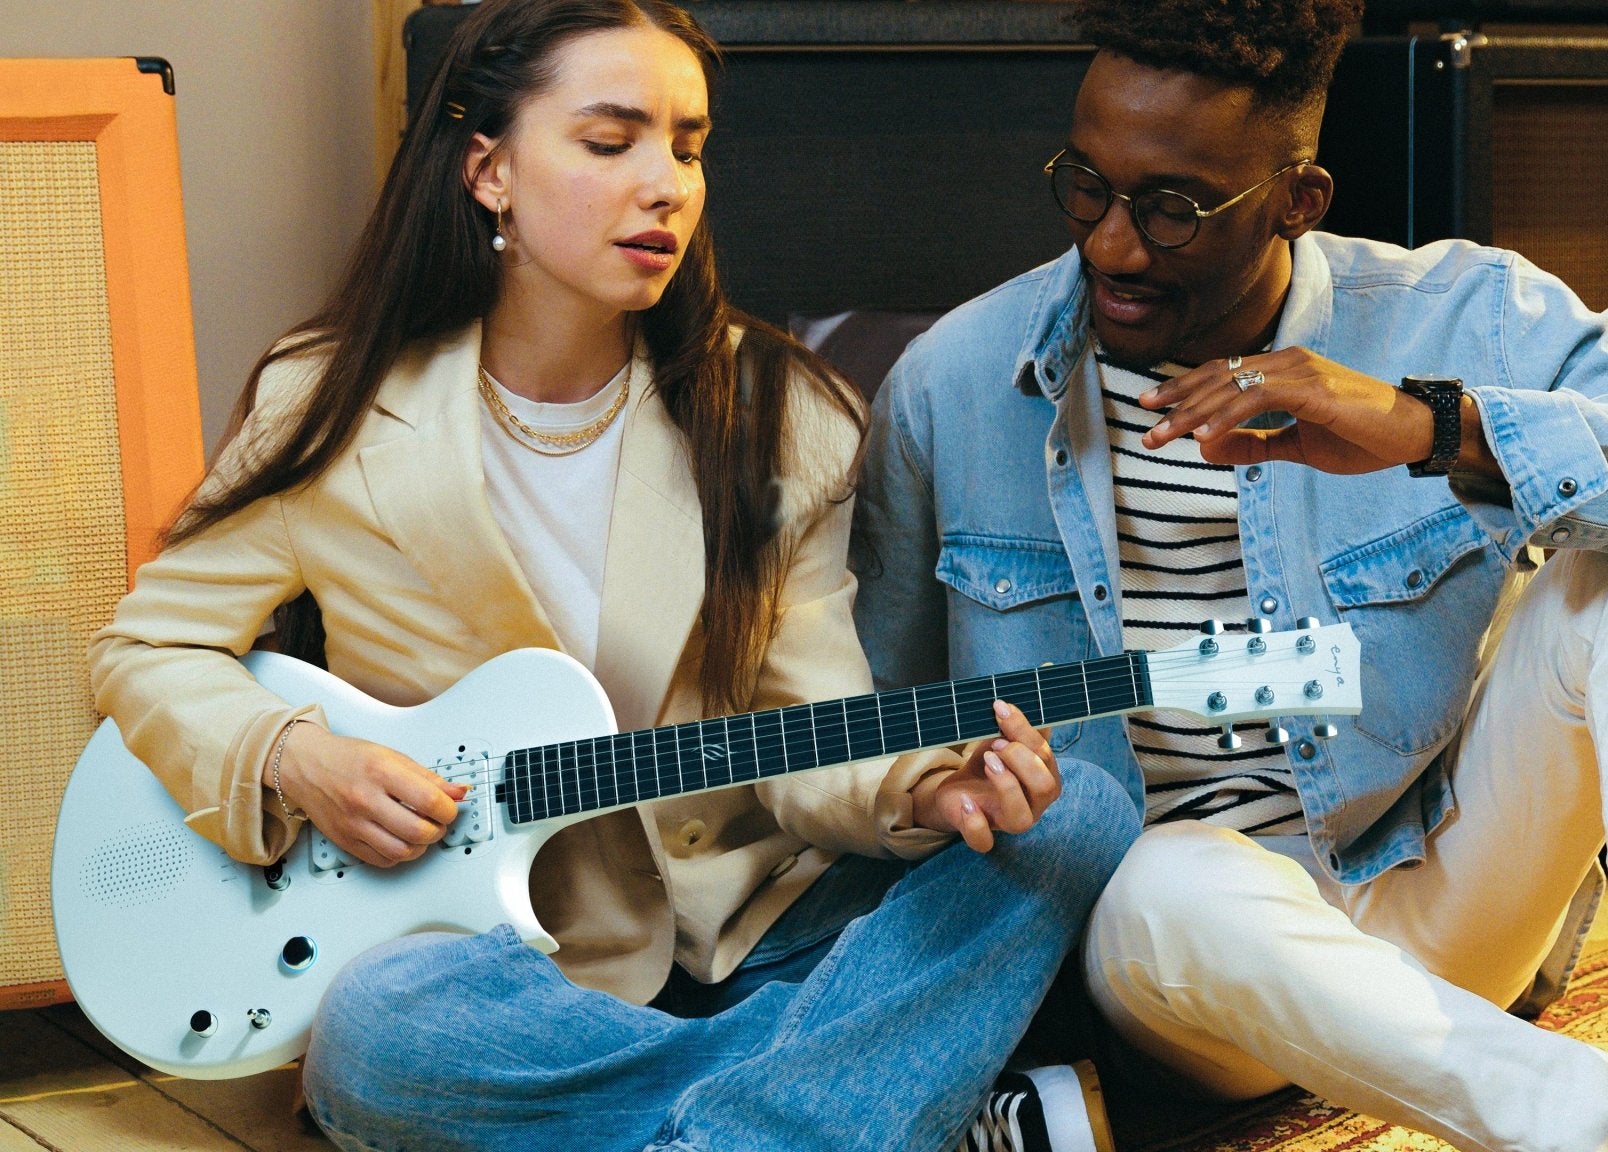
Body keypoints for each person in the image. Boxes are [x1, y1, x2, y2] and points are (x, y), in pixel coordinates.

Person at [850, 2, 1608, 1150]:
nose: (1111, 244)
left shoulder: (1458, 312)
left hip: (1427, 885)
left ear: (1299, 201)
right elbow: (875, 739)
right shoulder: (952, 387)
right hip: (1175, 965)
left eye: (1174, 208)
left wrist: (1424, 426)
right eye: (1084, 185)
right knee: (1165, 881)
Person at [86, 2, 1137, 1150]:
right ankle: (869, 1096)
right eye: (609, 141)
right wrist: (296, 754)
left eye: (686, 147)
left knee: (1075, 811)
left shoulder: (779, 415)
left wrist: (926, 791)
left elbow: (814, 732)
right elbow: (148, 649)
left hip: (755, 934)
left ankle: (767, 1119)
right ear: (489, 170)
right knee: (382, 1035)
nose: (667, 185)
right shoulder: (330, 403)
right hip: (504, 976)